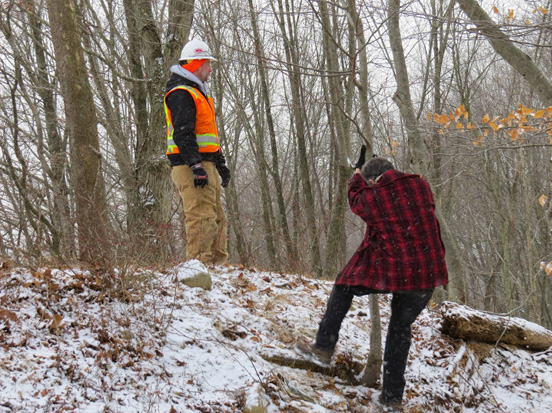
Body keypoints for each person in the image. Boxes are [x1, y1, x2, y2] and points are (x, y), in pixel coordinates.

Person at [296, 153, 448, 409]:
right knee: (400, 329)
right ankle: (392, 399)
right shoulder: (421, 185)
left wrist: (356, 177)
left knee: (343, 285)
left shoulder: (376, 195)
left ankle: (323, 347)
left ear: (374, 180)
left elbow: (356, 200)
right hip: (428, 274)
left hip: (399, 270)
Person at [164, 39, 231, 265]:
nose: (210, 69)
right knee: (201, 218)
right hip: (189, 166)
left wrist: (220, 164)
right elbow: (183, 133)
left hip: (205, 163)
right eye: (207, 64)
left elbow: (207, 135)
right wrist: (195, 165)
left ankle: (216, 267)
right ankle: (198, 269)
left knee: (217, 219)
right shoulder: (181, 93)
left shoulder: (198, 93)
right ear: (195, 64)